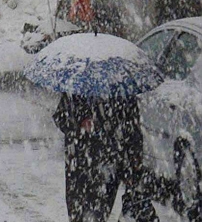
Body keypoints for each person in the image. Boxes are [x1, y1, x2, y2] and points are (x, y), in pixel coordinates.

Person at [53, 93, 159, 222]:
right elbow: (60, 118)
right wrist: (80, 122)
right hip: (81, 166)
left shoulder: (122, 93)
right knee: (80, 214)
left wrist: (133, 164)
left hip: (109, 166)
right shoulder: (77, 92)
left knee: (99, 213)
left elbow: (133, 131)